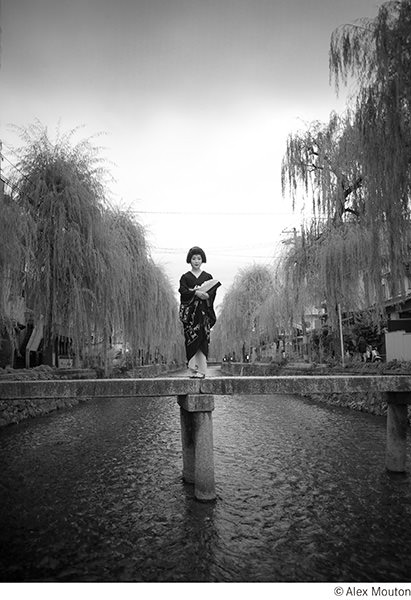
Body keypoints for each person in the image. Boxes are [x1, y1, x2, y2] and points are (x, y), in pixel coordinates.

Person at [179, 246, 220, 378]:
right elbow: (183, 292)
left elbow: (212, 293)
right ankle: (192, 369)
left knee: (202, 340)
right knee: (191, 340)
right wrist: (195, 293)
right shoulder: (185, 277)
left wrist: (207, 296)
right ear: (189, 260)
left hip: (203, 314)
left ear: (202, 260)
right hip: (191, 316)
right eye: (194, 258)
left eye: (199, 258)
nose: (196, 261)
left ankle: (202, 370)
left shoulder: (208, 276)